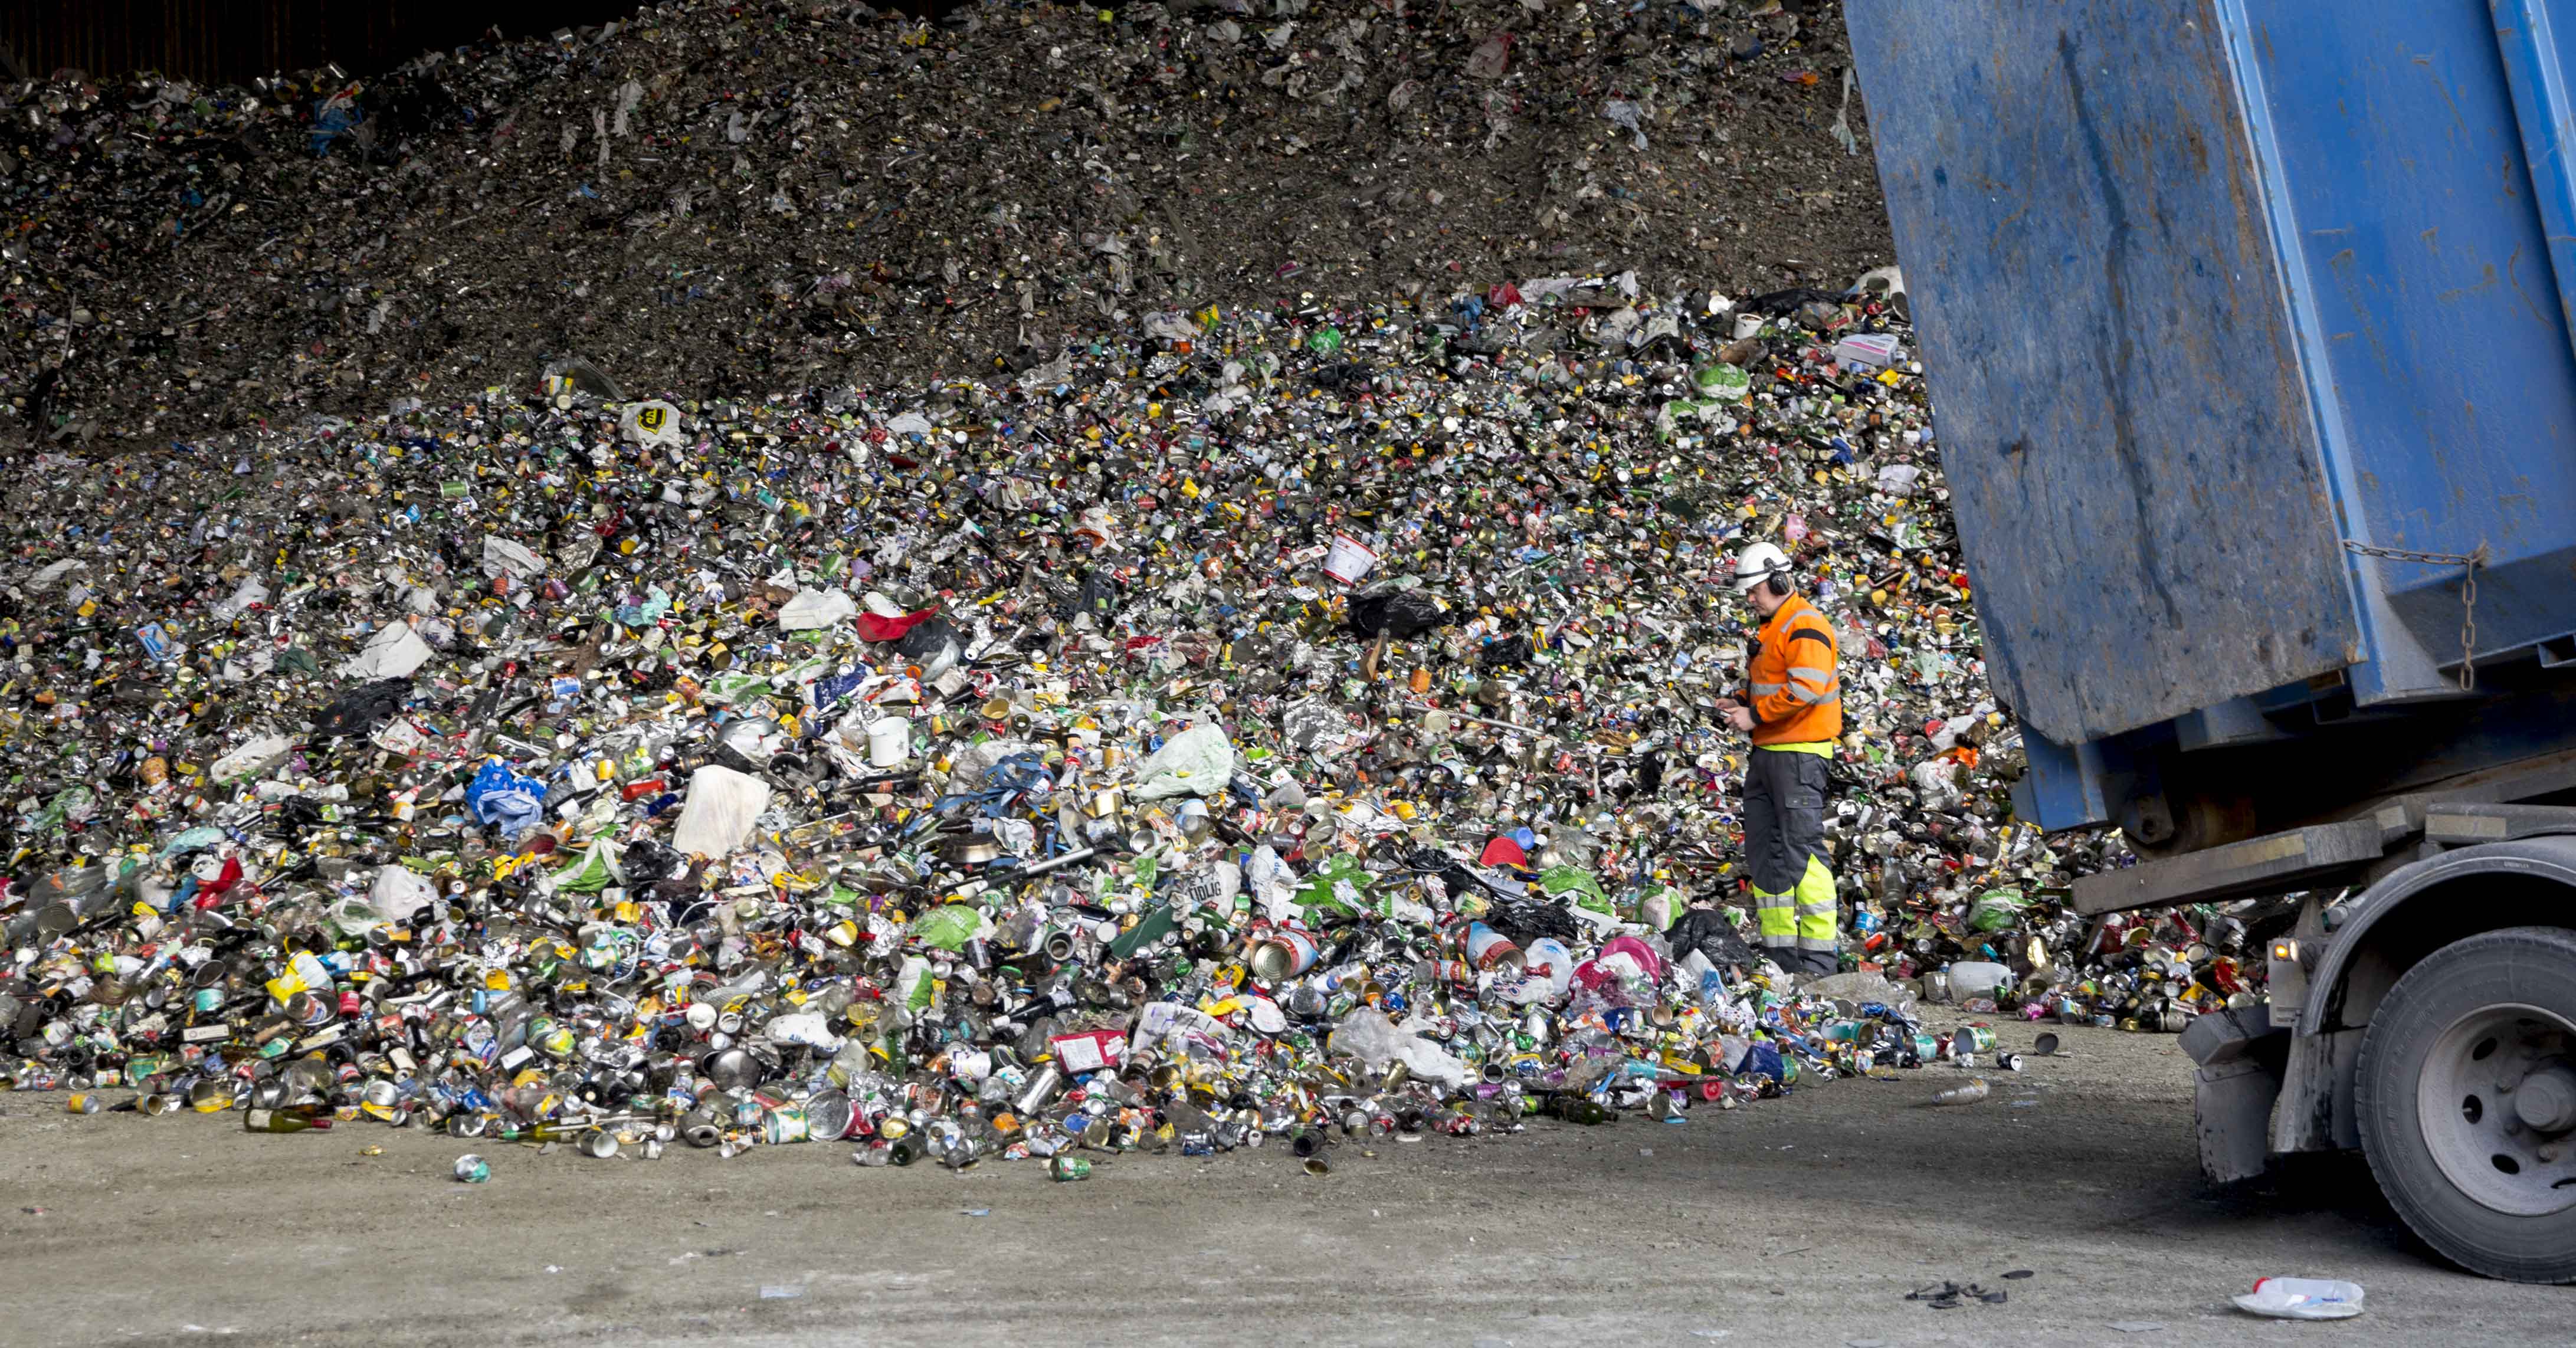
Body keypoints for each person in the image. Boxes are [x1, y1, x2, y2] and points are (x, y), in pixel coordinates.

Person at [1715, 541, 1842, 976]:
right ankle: (1780, 953)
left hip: (1799, 755)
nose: (1750, 600)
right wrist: (1737, 701)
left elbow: (1805, 689)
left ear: (1779, 580)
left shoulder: (1805, 625)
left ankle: (1819, 958)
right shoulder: (1774, 628)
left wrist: (1754, 715)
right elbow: (1771, 685)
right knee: (1766, 851)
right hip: (1769, 753)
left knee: (1801, 851)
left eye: (1755, 591)